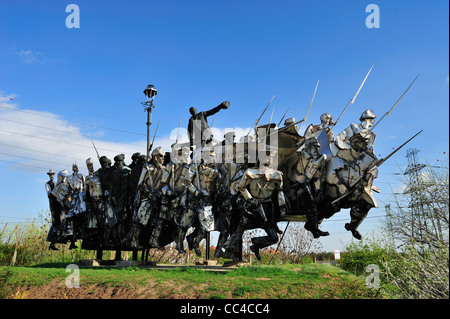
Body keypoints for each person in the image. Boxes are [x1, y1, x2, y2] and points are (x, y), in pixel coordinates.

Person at [234, 154, 288, 261]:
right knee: (238, 228)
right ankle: (228, 249)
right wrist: (249, 199)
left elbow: (280, 191)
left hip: (268, 209)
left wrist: (282, 206)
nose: (266, 166)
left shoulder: (277, 175)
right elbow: (241, 187)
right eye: (264, 164)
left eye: (268, 164)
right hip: (252, 207)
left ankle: (256, 245)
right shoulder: (250, 173)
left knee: (274, 238)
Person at [175, 147, 219, 255]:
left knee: (208, 226)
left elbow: (216, 186)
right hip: (193, 199)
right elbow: (186, 181)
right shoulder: (195, 167)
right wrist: (195, 192)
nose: (212, 159)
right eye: (210, 156)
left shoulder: (215, 171)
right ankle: (179, 245)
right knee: (184, 224)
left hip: (206, 200)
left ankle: (195, 241)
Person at [285, 137, 329, 238]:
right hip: (295, 185)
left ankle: (312, 227)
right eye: (314, 146)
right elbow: (288, 169)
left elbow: (320, 174)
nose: (316, 149)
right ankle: (314, 229)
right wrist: (295, 178)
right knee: (311, 205)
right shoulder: (297, 155)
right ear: (308, 146)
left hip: (309, 184)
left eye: (317, 147)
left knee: (317, 205)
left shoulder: (319, 158)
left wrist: (318, 188)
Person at [148, 143, 190, 249]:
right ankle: (155, 240)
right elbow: (163, 184)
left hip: (181, 200)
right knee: (162, 220)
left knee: (181, 223)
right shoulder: (170, 167)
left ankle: (178, 242)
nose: (184, 157)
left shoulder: (188, 169)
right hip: (168, 198)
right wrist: (168, 191)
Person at [125, 147, 165, 249]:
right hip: (145, 198)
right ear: (155, 157)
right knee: (140, 221)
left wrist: (159, 194)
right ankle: (133, 241)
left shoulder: (163, 170)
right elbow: (140, 184)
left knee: (155, 221)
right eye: (161, 156)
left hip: (157, 199)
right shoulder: (147, 168)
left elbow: (164, 185)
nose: (163, 158)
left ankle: (151, 241)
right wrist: (149, 194)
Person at [45, 169, 60, 250]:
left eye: (53, 174)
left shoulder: (56, 183)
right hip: (53, 205)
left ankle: (54, 242)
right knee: (55, 222)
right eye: (50, 174)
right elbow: (49, 194)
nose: (52, 176)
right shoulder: (47, 184)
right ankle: (52, 242)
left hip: (58, 204)